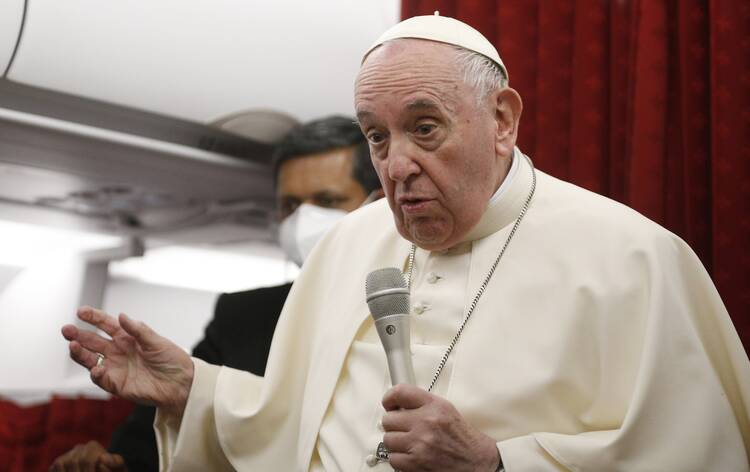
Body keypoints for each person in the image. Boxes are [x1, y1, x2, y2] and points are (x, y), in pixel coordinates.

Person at [61, 15, 750, 472]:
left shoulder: (632, 256)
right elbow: (290, 433)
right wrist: (195, 391)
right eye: (377, 136)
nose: (395, 167)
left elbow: (699, 452)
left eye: (425, 127)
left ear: (502, 120)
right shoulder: (345, 248)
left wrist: (497, 464)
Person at [50, 116, 381, 472]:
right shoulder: (243, 314)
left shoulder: (405, 305)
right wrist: (114, 465)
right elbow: (175, 410)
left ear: (377, 204)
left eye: (326, 201)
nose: (302, 220)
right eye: (290, 205)